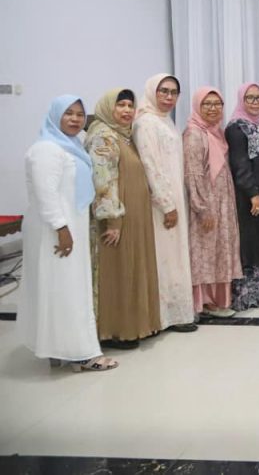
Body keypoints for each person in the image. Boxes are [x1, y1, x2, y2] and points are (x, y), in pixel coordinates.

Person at [18, 95, 117, 372]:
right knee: (66, 289)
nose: (75, 119)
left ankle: (60, 348)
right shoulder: (46, 149)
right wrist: (62, 229)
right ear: (55, 115)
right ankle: (81, 354)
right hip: (56, 229)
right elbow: (46, 194)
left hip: (69, 225)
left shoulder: (70, 147)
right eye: (68, 113)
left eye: (79, 114)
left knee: (63, 288)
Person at [85, 88, 161, 348]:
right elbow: (103, 181)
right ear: (108, 108)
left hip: (133, 213)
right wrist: (112, 220)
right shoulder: (103, 136)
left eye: (130, 105)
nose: (127, 110)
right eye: (121, 105)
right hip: (117, 218)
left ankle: (136, 325)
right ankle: (115, 330)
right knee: (118, 270)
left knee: (132, 267)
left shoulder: (123, 136)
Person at [133, 73, 196, 332]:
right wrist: (167, 204)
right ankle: (164, 315)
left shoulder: (165, 120)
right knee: (165, 257)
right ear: (152, 91)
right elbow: (151, 166)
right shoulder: (145, 123)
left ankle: (177, 312)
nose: (169, 97)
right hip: (161, 204)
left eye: (174, 92)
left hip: (175, 198)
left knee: (175, 255)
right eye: (164, 91)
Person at [183, 87, 243, 317]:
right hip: (206, 203)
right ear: (197, 106)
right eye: (206, 104)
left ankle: (218, 299)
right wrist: (202, 209)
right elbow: (193, 173)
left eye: (217, 104)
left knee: (220, 249)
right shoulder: (194, 133)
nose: (212, 108)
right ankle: (205, 302)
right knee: (205, 251)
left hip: (222, 201)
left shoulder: (216, 132)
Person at [225, 83, 259, 310]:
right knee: (251, 241)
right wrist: (253, 193)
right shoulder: (236, 128)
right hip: (248, 194)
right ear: (241, 100)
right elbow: (240, 164)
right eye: (250, 98)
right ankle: (247, 295)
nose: (256, 102)